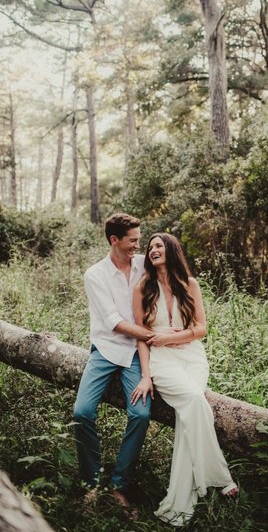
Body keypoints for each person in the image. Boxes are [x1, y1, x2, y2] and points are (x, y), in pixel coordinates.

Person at [132, 233, 239, 527]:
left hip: (192, 357)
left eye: (158, 245)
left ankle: (180, 501)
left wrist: (173, 337)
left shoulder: (190, 285)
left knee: (188, 415)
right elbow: (142, 336)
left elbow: (201, 328)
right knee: (194, 400)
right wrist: (144, 375)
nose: (153, 250)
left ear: (171, 250)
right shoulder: (143, 287)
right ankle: (220, 477)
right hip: (161, 361)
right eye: (150, 247)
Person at [73, 213, 155, 514]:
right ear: (114, 240)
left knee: (141, 414)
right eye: (132, 240)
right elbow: (114, 323)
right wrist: (153, 334)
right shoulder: (95, 274)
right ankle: (92, 483)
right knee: (81, 412)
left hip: (137, 353)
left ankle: (119, 485)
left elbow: (174, 276)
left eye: (138, 239)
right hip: (106, 350)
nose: (138, 245)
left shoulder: (144, 263)